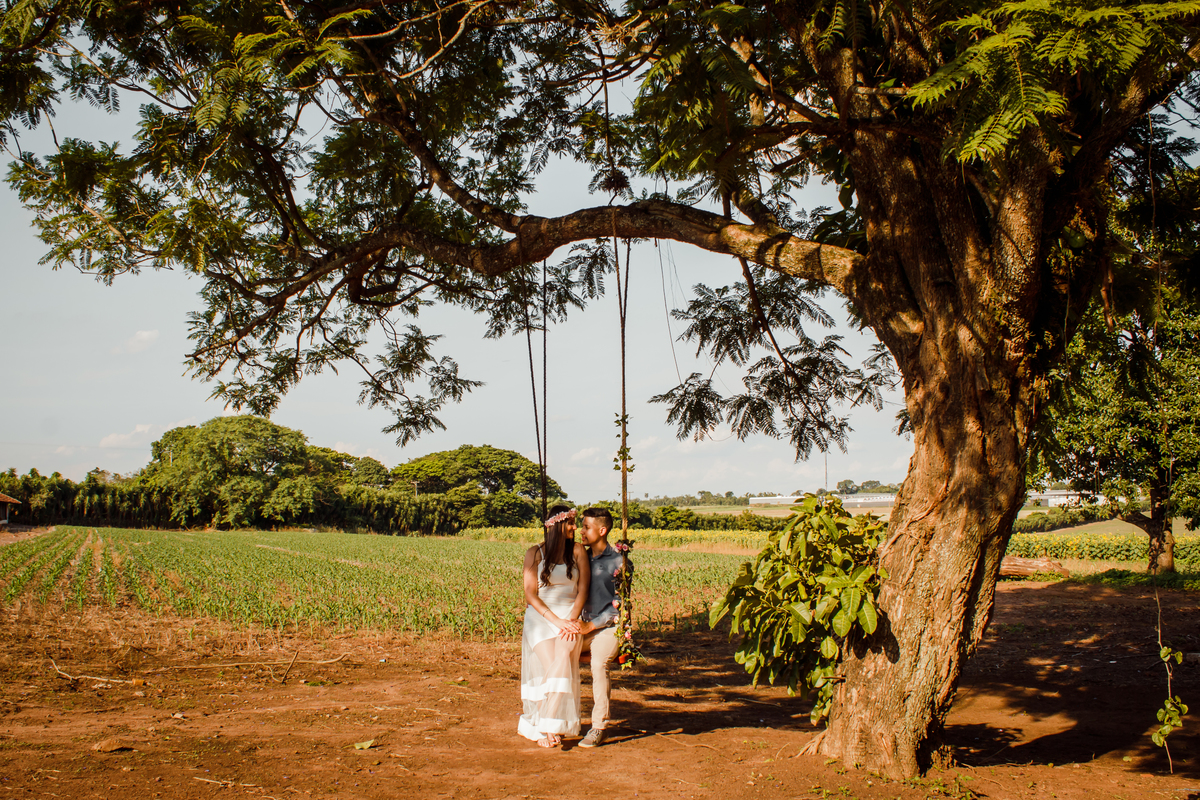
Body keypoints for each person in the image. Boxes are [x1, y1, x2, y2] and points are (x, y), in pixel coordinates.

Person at [518, 504, 591, 748]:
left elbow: (583, 590)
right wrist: (555, 620)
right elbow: (530, 594)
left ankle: (546, 725)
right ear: (556, 526)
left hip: (569, 616)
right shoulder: (534, 553)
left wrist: (571, 619)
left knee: (561, 660)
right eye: (570, 522)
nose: (574, 527)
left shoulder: (578, 551)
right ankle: (550, 724)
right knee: (552, 666)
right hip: (541, 618)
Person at [575, 507, 631, 748]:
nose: (581, 531)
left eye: (586, 527)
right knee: (556, 653)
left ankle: (598, 726)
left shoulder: (619, 561)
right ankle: (563, 718)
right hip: (581, 625)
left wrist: (592, 625)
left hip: (607, 626)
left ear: (602, 530)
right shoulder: (578, 557)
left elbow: (620, 605)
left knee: (599, 664)